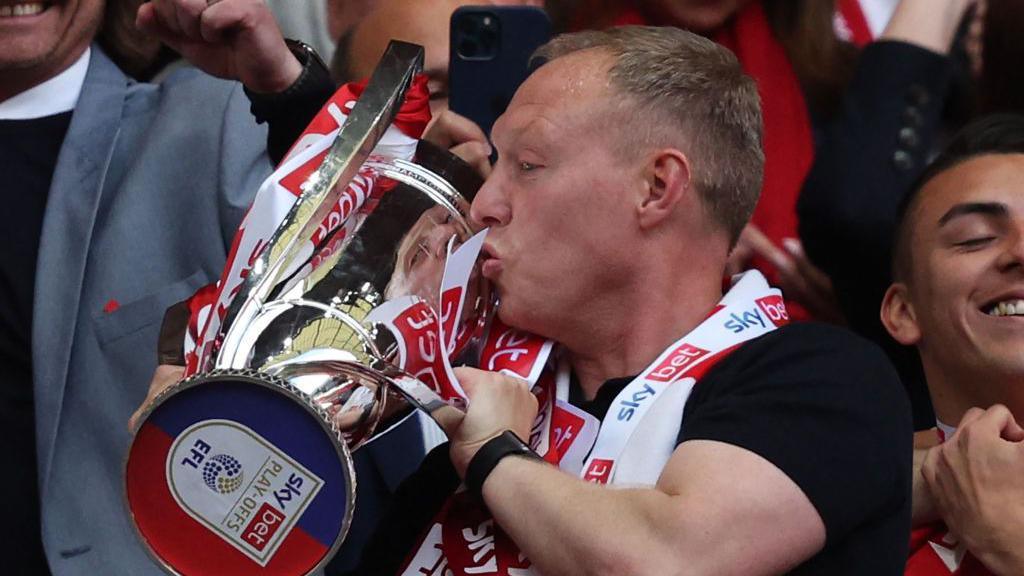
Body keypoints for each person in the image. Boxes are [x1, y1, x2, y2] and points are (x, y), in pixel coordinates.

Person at [335, 26, 914, 575]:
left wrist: (493, 453)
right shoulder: (483, 390)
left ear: (657, 188)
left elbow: (666, 559)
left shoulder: (825, 379)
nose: (485, 204)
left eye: (529, 166)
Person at [880, 114, 1024, 575]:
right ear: (904, 312)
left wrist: (1009, 540)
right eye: (975, 238)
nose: (1021, 252)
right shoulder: (830, 508)